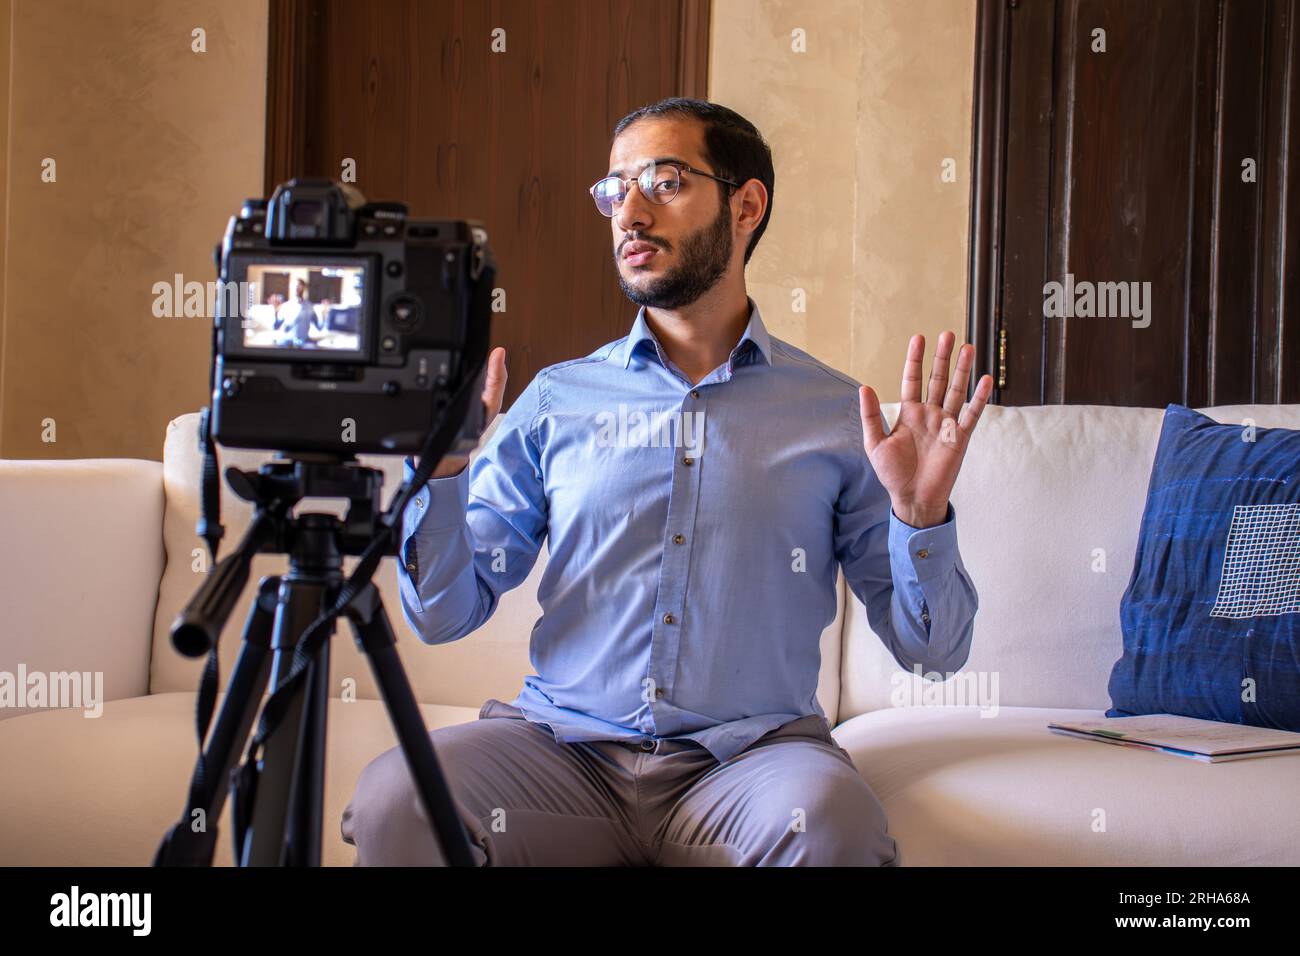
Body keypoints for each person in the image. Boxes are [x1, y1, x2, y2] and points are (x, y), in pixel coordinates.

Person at [341, 98, 993, 866]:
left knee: (828, 823)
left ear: (746, 205)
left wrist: (921, 517)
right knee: (396, 796)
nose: (630, 212)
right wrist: (444, 477)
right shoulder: (556, 401)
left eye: (665, 181)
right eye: (615, 189)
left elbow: (935, 654)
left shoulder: (836, 415)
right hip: (562, 755)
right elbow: (443, 614)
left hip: (750, 763)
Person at [272, 278, 320, 347]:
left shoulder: (309, 306)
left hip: (304, 340)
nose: (296, 287)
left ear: (303, 287)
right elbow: (275, 327)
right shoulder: (285, 306)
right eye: (294, 286)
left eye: (298, 285)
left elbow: (319, 327)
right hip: (288, 340)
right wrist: (275, 312)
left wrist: (324, 315)